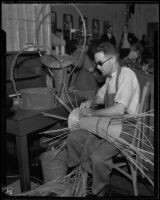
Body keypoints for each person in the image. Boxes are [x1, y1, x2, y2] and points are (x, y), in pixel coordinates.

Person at [41, 42, 140, 197]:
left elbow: (120, 109)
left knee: (98, 158)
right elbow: (100, 97)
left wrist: (93, 113)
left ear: (113, 60)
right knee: (73, 137)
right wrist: (91, 102)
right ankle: (78, 173)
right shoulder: (109, 79)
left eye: (100, 63)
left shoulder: (127, 75)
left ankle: (99, 190)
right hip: (106, 125)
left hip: (124, 129)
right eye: (96, 63)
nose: (97, 67)